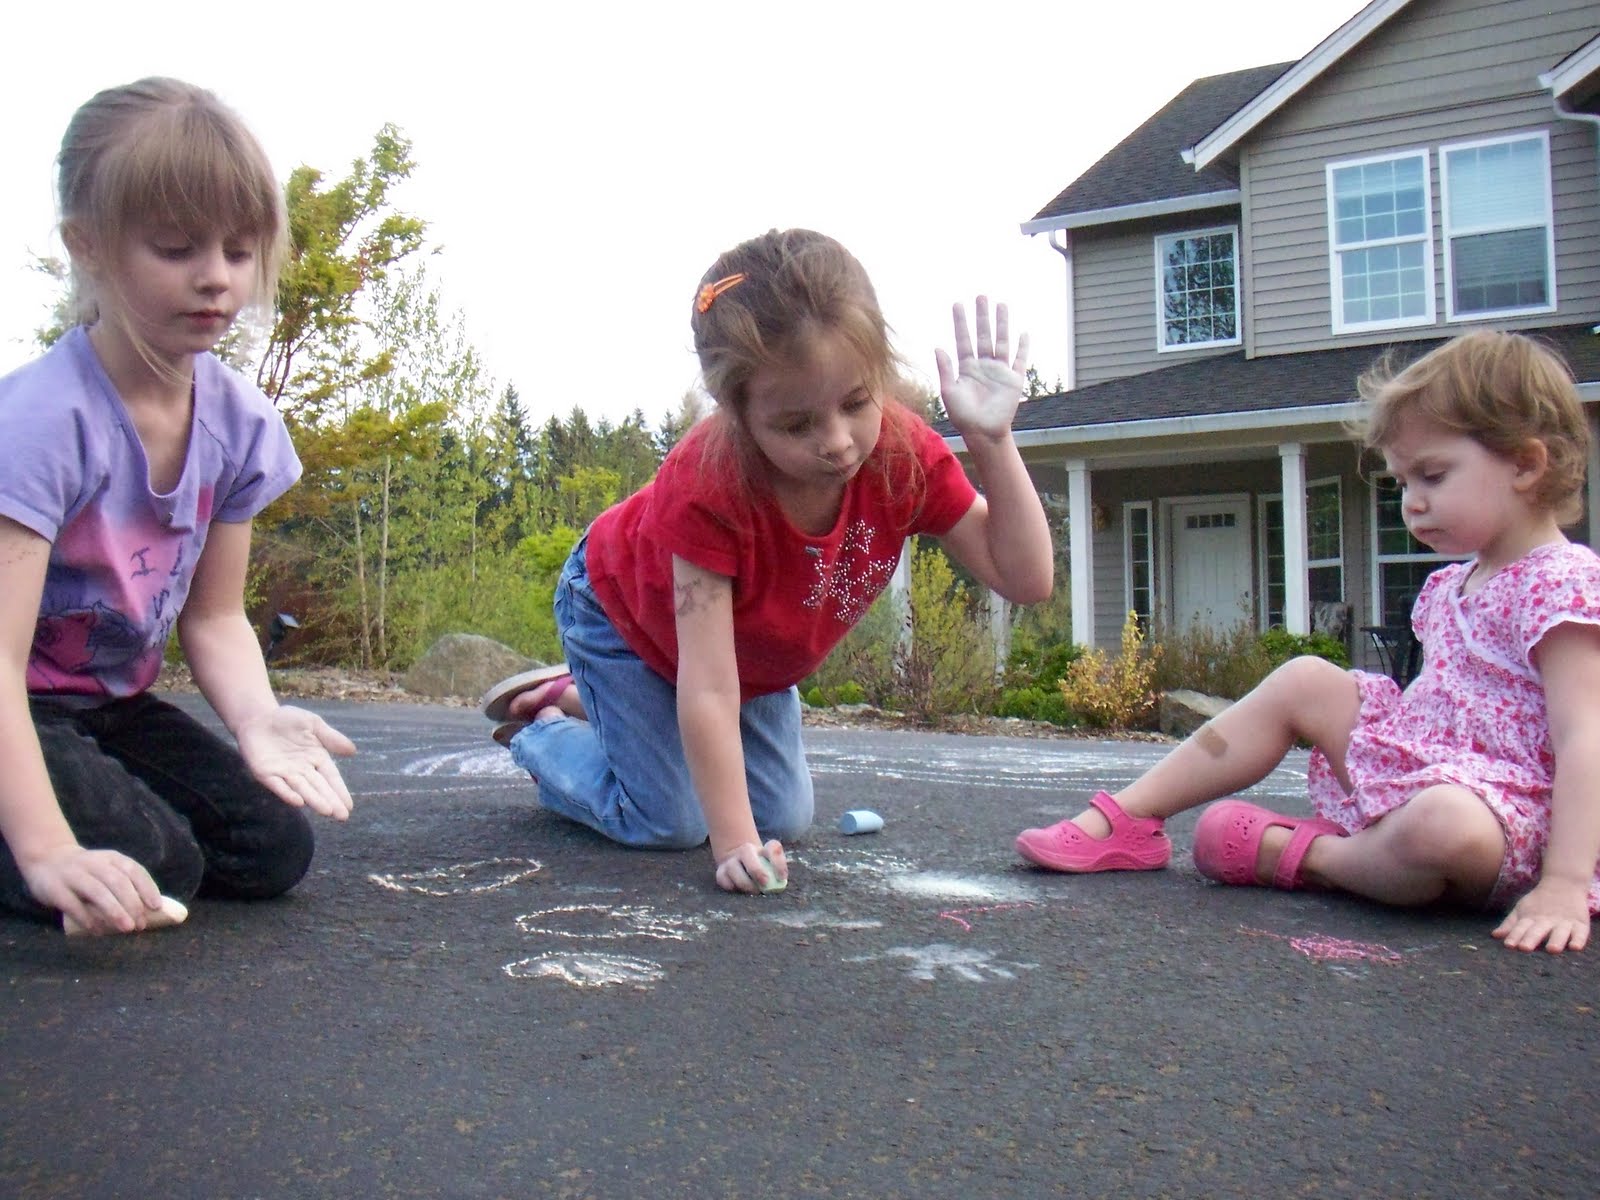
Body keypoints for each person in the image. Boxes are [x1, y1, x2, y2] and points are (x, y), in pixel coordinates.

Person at [484, 228, 1053, 894]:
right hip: (625, 619)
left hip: (746, 656)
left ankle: (592, 704)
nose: (837, 443)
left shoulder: (902, 458)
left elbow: (1026, 578)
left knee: (784, 815)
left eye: (855, 403)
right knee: (670, 821)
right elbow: (708, 688)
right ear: (739, 412)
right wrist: (732, 847)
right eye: (796, 424)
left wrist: (992, 444)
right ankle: (545, 728)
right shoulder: (711, 486)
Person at [1016, 329, 1600, 954]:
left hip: (1511, 816)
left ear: (1525, 464)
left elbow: (1582, 736)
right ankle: (1126, 819)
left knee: (1442, 826)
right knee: (1307, 679)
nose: (1412, 503)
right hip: (1428, 768)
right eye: (1402, 482)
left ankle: (1321, 855)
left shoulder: (1562, 585)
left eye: (1432, 475)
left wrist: (1565, 881)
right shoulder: (1455, 584)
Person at [0, 78, 356, 937]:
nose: (214, 280)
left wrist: (257, 718)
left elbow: (218, 617)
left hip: (106, 705)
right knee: (154, 859)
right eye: (174, 248)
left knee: (267, 849)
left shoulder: (237, 424)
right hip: (21, 705)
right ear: (89, 245)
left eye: (239, 252)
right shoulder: (42, 423)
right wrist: (48, 851)